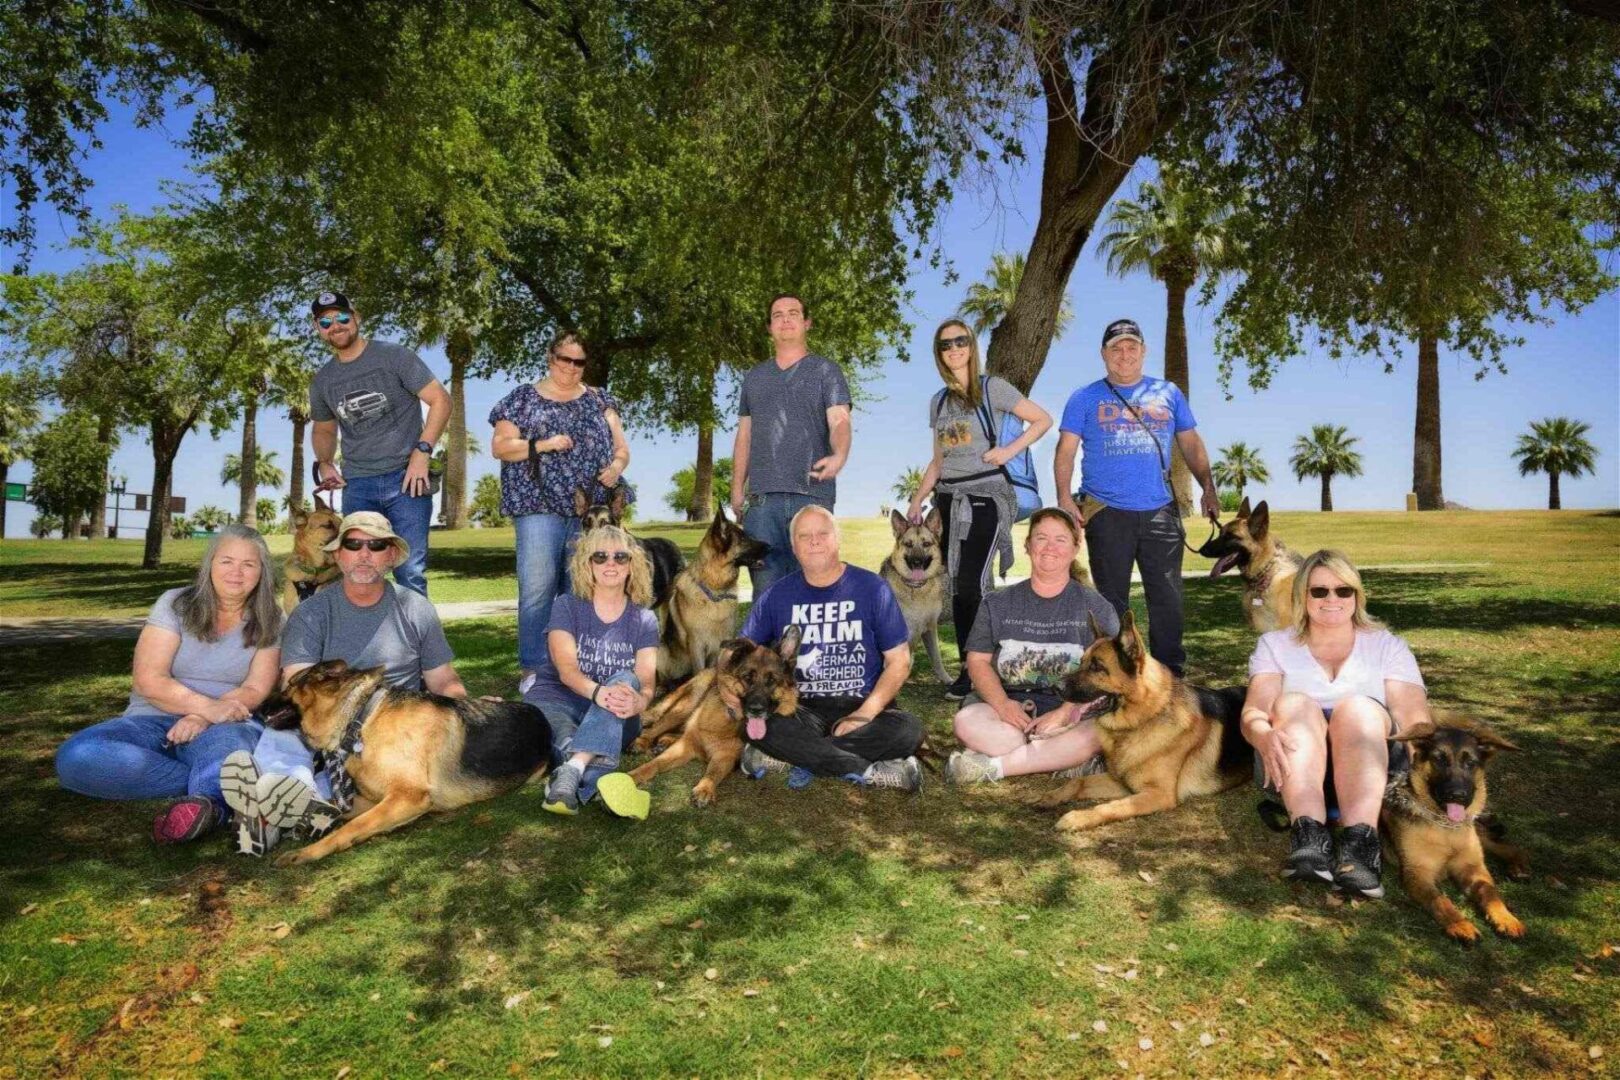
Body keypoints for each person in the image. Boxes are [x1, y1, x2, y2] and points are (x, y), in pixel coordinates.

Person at [232, 512, 486, 855]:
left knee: (364, 767)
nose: (364, 554)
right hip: (320, 718)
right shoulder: (311, 613)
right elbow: (299, 683)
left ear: (391, 556)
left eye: (376, 545)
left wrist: (473, 713)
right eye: (353, 544)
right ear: (338, 555)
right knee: (283, 737)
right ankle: (287, 801)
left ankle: (274, 812)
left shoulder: (415, 609)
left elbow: (443, 679)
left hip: (388, 724)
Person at [54, 525, 283, 844]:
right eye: (227, 561)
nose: (236, 572)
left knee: (226, 748)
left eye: (249, 564)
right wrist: (205, 706)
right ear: (210, 565)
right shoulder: (175, 604)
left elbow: (255, 690)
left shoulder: (272, 618)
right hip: (152, 721)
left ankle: (209, 805)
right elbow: (149, 680)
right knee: (76, 757)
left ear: (262, 572)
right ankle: (212, 787)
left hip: (226, 725)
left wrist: (203, 717)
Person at [1239, 549, 1432, 899]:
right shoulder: (1275, 645)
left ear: (1357, 596)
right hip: (1292, 767)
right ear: (1302, 595)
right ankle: (1309, 840)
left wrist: (1430, 780)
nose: (1332, 599)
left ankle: (1361, 847)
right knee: (1294, 703)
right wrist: (1262, 732)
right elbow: (1254, 710)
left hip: (1371, 769)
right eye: (1319, 591)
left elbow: (1415, 720)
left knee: (1357, 709)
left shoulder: (1387, 646)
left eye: (1343, 591)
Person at [1053, 318, 1220, 677]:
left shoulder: (1168, 393)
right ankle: (1116, 677)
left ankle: (1171, 675)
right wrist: (1065, 499)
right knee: (1111, 603)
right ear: (1104, 354)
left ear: (1143, 352)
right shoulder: (1084, 397)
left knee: (1167, 598)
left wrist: (1208, 486)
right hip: (1106, 510)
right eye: (1116, 348)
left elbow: (1190, 442)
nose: (1124, 354)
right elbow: (1065, 451)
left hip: (1160, 510)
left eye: (1131, 346)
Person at [908, 317, 1052, 698]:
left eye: (960, 341)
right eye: (945, 344)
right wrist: (918, 497)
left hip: (986, 497)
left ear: (971, 345)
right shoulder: (937, 402)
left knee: (973, 583)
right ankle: (973, 668)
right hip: (948, 499)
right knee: (957, 589)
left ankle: (979, 668)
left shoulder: (994, 389)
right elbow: (938, 461)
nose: (954, 348)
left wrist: (1007, 451)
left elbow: (1041, 420)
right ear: (939, 354)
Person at [736, 504, 923, 791]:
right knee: (758, 727)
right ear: (793, 547)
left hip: (863, 705)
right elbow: (738, 653)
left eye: (822, 533)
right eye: (803, 536)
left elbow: (899, 661)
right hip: (801, 710)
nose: (814, 541)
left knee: (909, 730)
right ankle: (866, 769)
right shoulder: (776, 595)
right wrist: (727, 688)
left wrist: (866, 712)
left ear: (837, 539)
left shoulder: (872, 587)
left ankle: (797, 756)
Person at [489, 332, 633, 694]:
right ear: (550, 357)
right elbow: (501, 447)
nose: (570, 367)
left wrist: (616, 467)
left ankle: (583, 669)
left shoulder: (600, 400)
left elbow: (621, 449)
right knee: (538, 589)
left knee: (586, 589)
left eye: (578, 361)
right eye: (563, 359)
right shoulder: (522, 399)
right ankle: (535, 671)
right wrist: (544, 444)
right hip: (538, 505)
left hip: (594, 511)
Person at [945, 509, 1119, 784]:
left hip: (1072, 711)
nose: (1050, 547)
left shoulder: (1096, 607)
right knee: (965, 721)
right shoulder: (996, 603)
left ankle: (994, 767)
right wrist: (1003, 705)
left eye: (1061, 539)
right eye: (1041, 538)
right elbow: (977, 662)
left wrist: (1064, 713)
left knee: (1097, 732)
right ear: (1028, 546)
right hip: (1007, 707)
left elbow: (1114, 673)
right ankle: (1061, 759)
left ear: (1075, 548)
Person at [308, 290, 451, 598]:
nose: (336, 326)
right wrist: (324, 462)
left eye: (342, 317)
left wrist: (422, 452)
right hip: (357, 484)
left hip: (408, 480)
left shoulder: (393, 356)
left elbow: (440, 400)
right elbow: (323, 429)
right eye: (326, 322)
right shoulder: (323, 381)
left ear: (356, 317)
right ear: (318, 329)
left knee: (409, 571)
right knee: (360, 573)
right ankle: (368, 646)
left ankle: (414, 646)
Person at [525, 525, 658, 819]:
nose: (610, 563)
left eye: (620, 557)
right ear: (587, 564)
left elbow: (646, 682)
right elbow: (567, 671)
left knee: (627, 682)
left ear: (631, 565)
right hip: (556, 699)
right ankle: (594, 777)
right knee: (566, 735)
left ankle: (571, 771)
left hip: (616, 712)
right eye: (600, 556)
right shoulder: (567, 606)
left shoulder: (645, 619)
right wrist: (599, 693)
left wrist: (641, 701)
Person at [730, 293, 853, 596]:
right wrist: (736, 488)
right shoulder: (754, 378)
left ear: (806, 322)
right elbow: (744, 435)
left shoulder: (827, 371)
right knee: (767, 597)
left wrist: (840, 455)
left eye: (793, 313)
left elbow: (840, 420)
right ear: (769, 327)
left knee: (813, 595)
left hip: (811, 498)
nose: (785, 319)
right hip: (762, 505)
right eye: (777, 315)